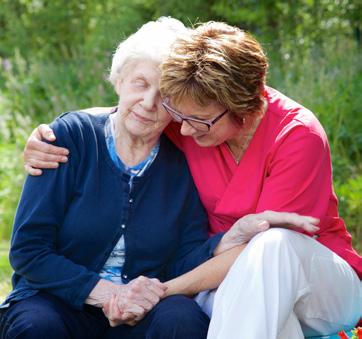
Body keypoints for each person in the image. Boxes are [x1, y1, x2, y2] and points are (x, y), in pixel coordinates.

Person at [22, 20, 361, 338]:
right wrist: (55, 132)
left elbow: (258, 254)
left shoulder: (296, 136)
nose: (182, 129)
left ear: (241, 108)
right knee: (257, 314)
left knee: (270, 246)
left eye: (196, 120)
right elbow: (131, 112)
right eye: (180, 115)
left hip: (316, 286)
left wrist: (160, 290)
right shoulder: (198, 119)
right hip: (223, 280)